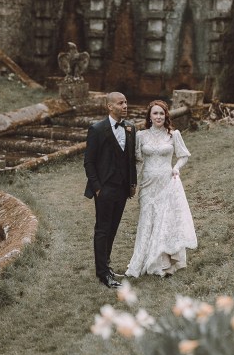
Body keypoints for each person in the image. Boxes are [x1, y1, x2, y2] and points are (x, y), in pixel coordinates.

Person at [125, 100, 197, 278]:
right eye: (155, 113)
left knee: (164, 220)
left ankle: (161, 262)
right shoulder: (141, 136)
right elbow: (138, 160)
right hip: (148, 184)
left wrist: (176, 168)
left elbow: (183, 156)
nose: (158, 116)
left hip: (166, 182)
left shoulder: (173, 135)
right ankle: (141, 260)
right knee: (147, 220)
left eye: (161, 113)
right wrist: (132, 183)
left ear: (166, 116)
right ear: (149, 116)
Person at [84, 92, 137, 288]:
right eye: (120, 103)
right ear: (110, 106)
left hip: (122, 189)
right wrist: (97, 188)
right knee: (102, 229)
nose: (125, 105)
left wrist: (132, 184)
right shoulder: (97, 129)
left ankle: (106, 264)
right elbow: (89, 162)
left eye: (126, 102)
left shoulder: (131, 128)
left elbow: (130, 159)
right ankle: (102, 273)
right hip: (104, 189)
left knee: (113, 229)